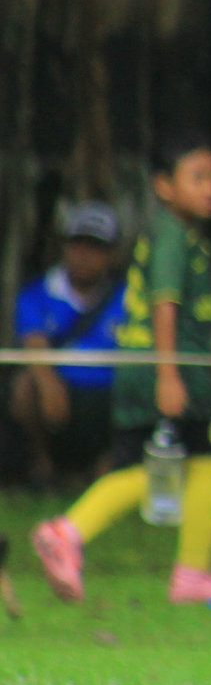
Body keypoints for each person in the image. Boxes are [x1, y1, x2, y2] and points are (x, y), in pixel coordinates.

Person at [30, 134, 211, 611]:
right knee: (160, 468)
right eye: (197, 178)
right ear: (163, 186)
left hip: (174, 366)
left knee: (202, 463)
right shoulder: (172, 238)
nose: (210, 189)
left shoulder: (179, 234)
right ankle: (66, 533)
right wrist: (169, 375)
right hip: (163, 369)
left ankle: (190, 574)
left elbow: (191, 313)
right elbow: (164, 306)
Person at [8, 203, 128, 487]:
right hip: (62, 390)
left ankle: (108, 470)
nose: (84, 256)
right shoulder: (37, 294)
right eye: (78, 245)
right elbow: (34, 343)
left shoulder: (128, 295)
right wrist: (49, 384)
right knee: (25, 387)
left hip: (111, 392)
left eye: (96, 247)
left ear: (112, 254)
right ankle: (43, 465)